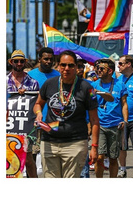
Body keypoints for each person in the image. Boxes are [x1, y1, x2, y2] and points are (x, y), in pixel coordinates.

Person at [33, 50, 100, 178]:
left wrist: (94, 147)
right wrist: (38, 113)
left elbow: (94, 120)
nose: (66, 69)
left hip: (75, 143)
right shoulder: (49, 84)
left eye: (70, 65)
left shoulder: (88, 88)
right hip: (49, 142)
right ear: (58, 66)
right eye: (63, 65)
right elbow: (38, 104)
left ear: (76, 67)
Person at [91, 59, 128, 178]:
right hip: (99, 125)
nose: (98, 71)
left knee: (113, 158)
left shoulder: (120, 84)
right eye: (98, 68)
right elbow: (90, 106)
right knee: (99, 157)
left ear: (110, 71)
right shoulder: (94, 85)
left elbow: (124, 104)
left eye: (102, 68)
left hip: (115, 125)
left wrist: (125, 121)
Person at [6, 49, 39, 178]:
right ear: (11, 62)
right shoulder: (4, 81)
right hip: (8, 124)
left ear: (25, 62)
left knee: (29, 159)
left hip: (26, 125)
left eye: (21, 61)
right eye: (16, 61)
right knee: (8, 158)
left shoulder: (33, 83)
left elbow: (37, 104)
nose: (19, 63)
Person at [28, 47, 60, 173]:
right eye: (46, 59)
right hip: (34, 123)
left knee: (52, 158)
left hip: (53, 123)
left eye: (51, 59)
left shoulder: (58, 76)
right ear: (39, 59)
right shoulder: (30, 76)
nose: (48, 61)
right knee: (32, 156)